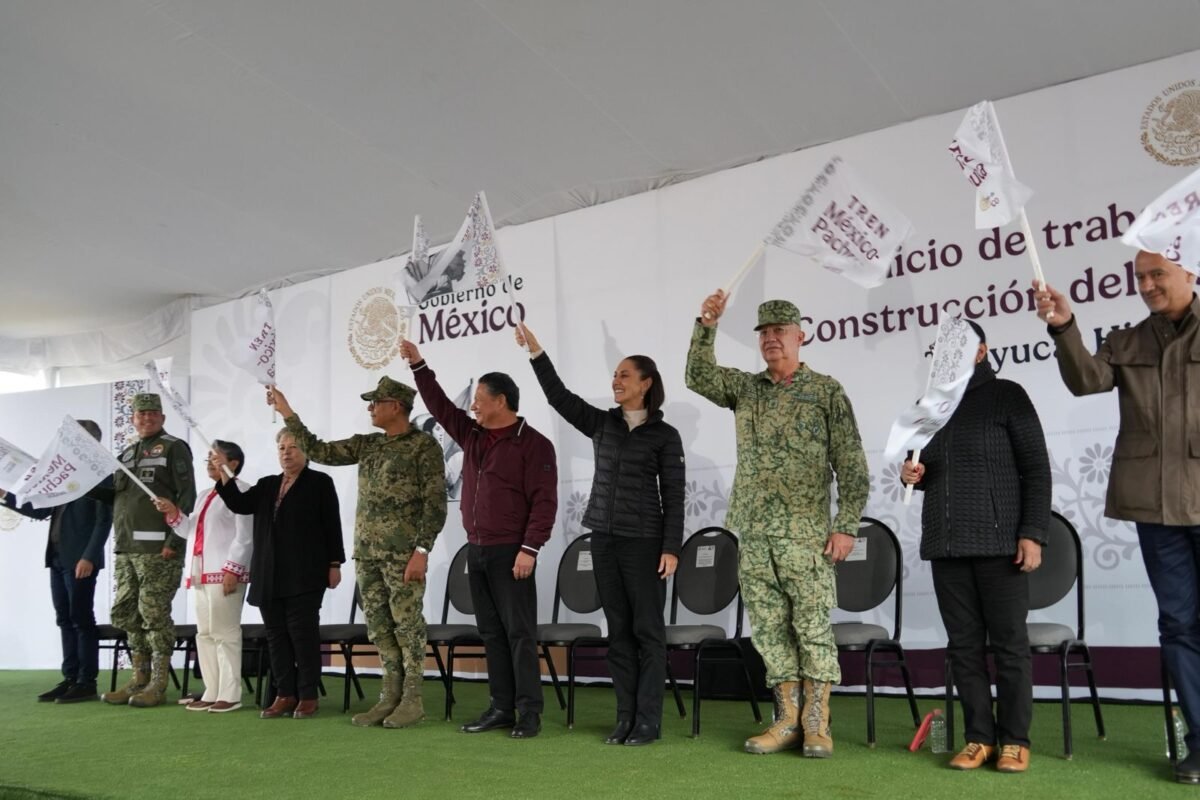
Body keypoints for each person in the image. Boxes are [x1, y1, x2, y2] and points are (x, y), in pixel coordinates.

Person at [1034, 250, 1200, 784]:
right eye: (1141, 277)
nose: (1149, 285)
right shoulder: (1128, 341)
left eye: (1159, 274)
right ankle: (1199, 740)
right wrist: (1063, 326)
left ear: (1190, 273)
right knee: (1178, 625)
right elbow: (1085, 380)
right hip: (1157, 510)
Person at [685, 293, 869, 758]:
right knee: (769, 631)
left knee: (811, 628)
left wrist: (846, 524)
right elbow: (698, 376)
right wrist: (706, 325)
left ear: (800, 336)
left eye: (780, 331)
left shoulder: (826, 391)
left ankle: (816, 723)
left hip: (806, 535)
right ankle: (785, 720)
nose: (771, 339)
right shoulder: (747, 389)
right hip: (755, 534)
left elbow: (850, 464)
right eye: (764, 333)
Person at [515, 324, 684, 746]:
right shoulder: (602, 424)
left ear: (646, 384)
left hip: (644, 542)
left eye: (624, 375)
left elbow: (675, 495)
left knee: (648, 631)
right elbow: (559, 397)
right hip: (603, 540)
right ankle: (625, 718)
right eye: (614, 375)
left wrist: (671, 547)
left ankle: (649, 721)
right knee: (618, 633)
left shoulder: (665, 435)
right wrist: (537, 352)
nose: (616, 381)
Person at [899, 320, 1050, 773]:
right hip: (946, 544)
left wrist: (1033, 533)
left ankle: (1015, 741)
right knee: (963, 647)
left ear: (980, 352)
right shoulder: (929, 407)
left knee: (1009, 645)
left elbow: (1037, 471)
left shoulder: (1008, 395)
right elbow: (920, 469)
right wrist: (911, 475)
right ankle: (978, 738)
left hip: (1000, 543)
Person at [400, 337, 557, 739]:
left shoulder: (534, 444)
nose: (473, 406)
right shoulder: (471, 436)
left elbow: (544, 503)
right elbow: (439, 406)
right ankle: (501, 708)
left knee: (520, 634)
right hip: (479, 551)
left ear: (501, 401)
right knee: (492, 633)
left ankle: (529, 714)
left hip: (513, 553)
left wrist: (530, 548)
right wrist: (419, 365)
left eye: (480, 400)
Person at [269, 378, 447, 728]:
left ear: (395, 405)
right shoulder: (368, 445)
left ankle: (412, 700)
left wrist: (422, 550)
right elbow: (318, 451)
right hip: (367, 554)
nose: (370, 408)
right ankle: (389, 697)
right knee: (380, 627)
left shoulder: (423, 447)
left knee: (407, 625)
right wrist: (287, 413)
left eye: (375, 402)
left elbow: (435, 504)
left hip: (403, 554)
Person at [212, 430, 344, 720]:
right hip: (269, 573)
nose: (286, 452)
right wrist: (223, 469)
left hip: (305, 574)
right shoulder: (267, 484)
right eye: (282, 447)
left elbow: (332, 525)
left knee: (302, 635)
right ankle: (284, 694)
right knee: (276, 636)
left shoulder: (320, 483)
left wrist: (335, 563)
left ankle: (307, 695)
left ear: (306, 451)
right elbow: (240, 503)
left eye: (293, 447)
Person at [90, 393, 196, 708]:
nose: (146, 418)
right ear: (133, 419)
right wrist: (82, 483)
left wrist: (174, 541)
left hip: (158, 549)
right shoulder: (125, 454)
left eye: (152, 413)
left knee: (153, 613)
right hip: (126, 548)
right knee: (126, 612)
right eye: (141, 414)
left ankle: (158, 684)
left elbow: (186, 496)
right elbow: (114, 495)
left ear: (162, 418)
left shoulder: (174, 448)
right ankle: (139, 678)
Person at [1, 419, 113, 704]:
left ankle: (86, 681)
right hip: (57, 557)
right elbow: (41, 511)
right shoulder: (64, 474)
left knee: (81, 619)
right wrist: (6, 496)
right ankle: (70, 677)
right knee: (64, 618)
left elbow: (103, 521)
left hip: (80, 559)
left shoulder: (102, 474)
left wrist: (89, 556)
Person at [153, 440, 253, 713]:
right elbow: (190, 532)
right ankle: (212, 689)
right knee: (205, 634)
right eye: (207, 458)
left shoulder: (242, 491)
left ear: (233, 463)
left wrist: (233, 568)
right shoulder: (205, 494)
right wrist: (174, 514)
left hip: (225, 572)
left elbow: (245, 536)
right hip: (200, 572)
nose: (209, 462)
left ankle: (230, 693)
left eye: (215, 457)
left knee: (226, 633)